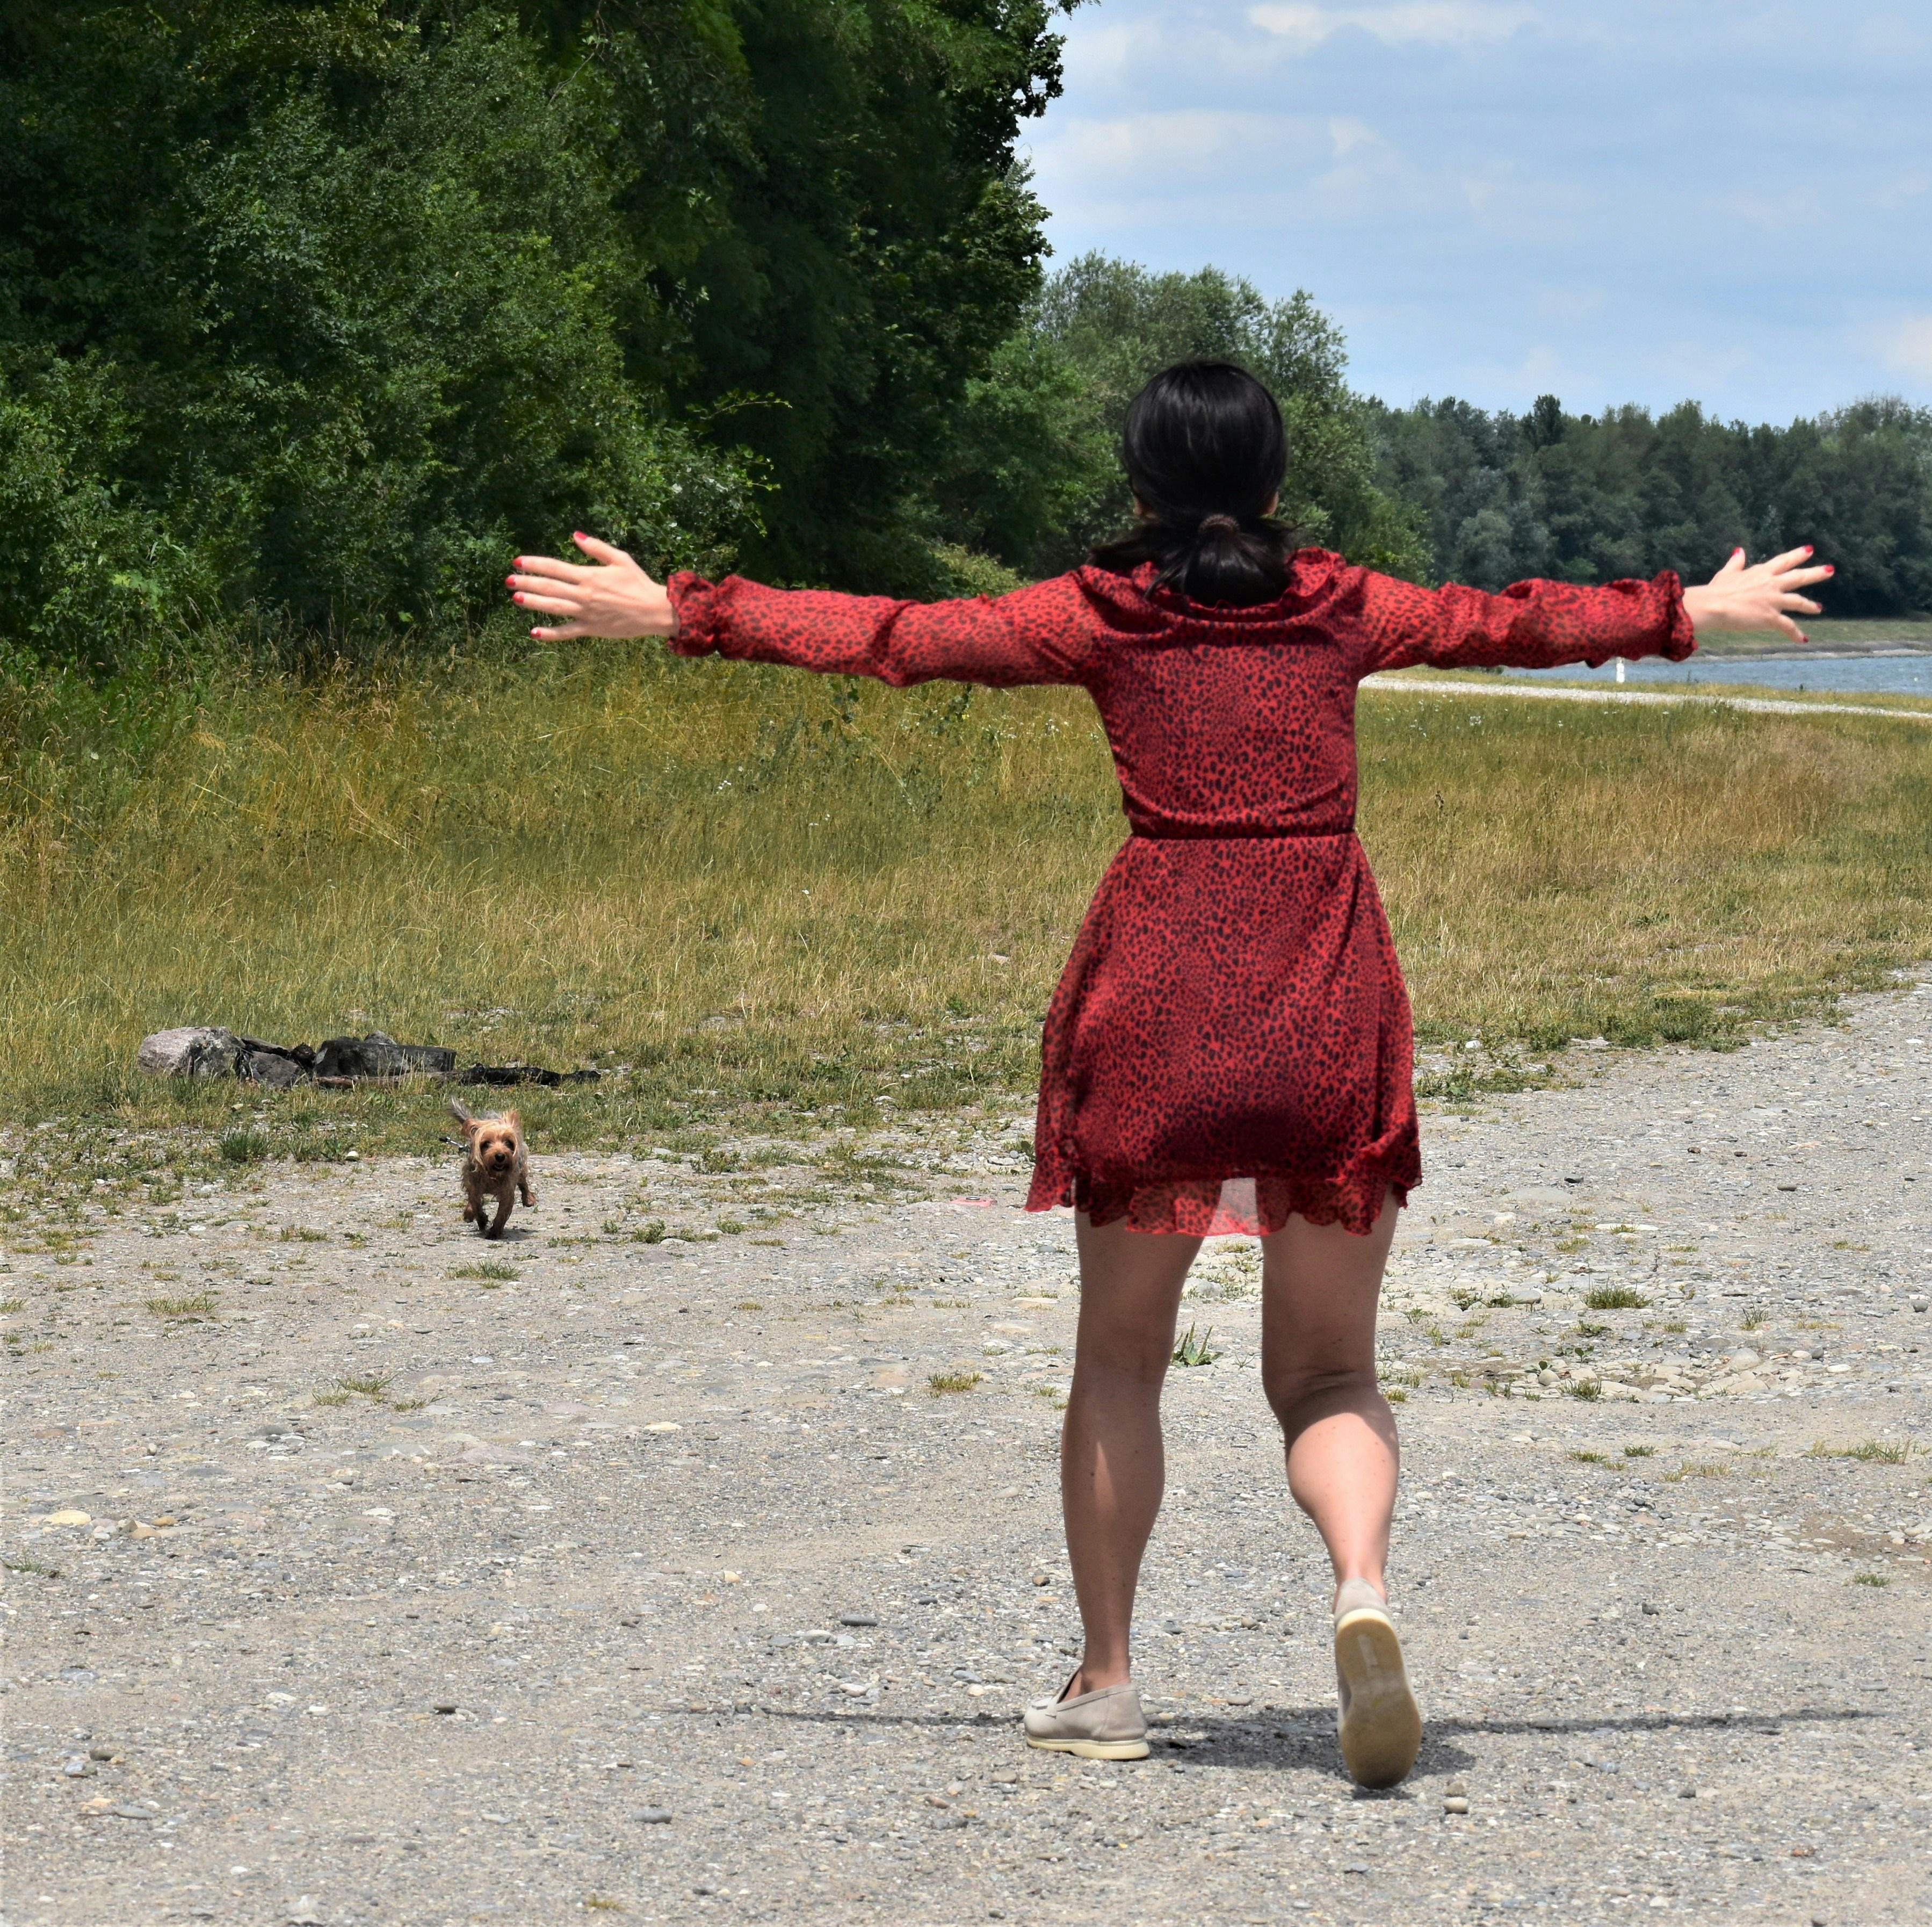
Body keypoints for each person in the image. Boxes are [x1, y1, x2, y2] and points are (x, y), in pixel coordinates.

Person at [504, 362, 1828, 1787]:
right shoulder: (1342, 603)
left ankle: (1109, 1681)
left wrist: (688, 610)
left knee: (1120, 1358)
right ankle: (1359, 1590)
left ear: (1136, 486)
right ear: (1272, 484)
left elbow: (899, 634)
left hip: (1158, 1002)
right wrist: (1683, 609)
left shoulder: (1098, 610)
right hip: (1323, 998)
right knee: (1327, 1369)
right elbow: (1505, 620)